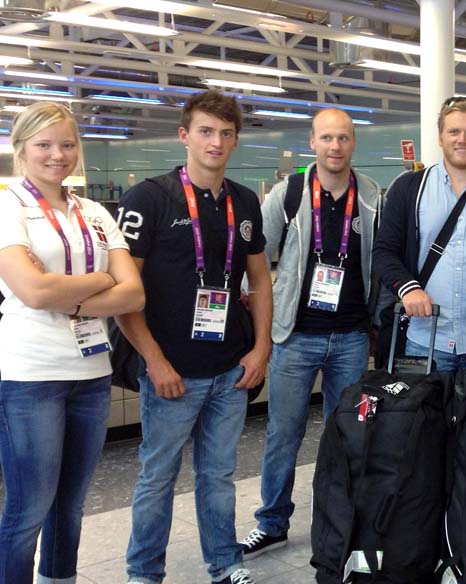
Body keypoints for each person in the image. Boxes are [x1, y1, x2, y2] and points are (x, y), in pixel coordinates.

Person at [116, 90, 273, 584]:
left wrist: (262, 347)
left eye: (227, 134)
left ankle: (225, 564)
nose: (217, 142)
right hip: (171, 374)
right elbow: (126, 293)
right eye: (206, 131)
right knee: (157, 479)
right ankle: (144, 573)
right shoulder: (150, 198)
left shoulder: (245, 201)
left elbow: (260, 279)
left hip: (229, 369)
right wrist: (155, 362)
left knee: (219, 478)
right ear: (185, 135)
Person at [0, 102, 143, 584]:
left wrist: (74, 296)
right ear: (21, 151)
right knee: (28, 510)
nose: (57, 155)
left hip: (92, 375)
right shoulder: (8, 205)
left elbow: (134, 292)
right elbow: (34, 291)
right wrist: (101, 279)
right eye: (44, 145)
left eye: (67, 144)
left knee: (71, 507)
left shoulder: (96, 211)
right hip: (30, 376)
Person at [240, 107, 383, 558]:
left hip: (352, 337)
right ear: (313, 142)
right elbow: (255, 254)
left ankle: (343, 520)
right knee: (284, 432)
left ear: (353, 142)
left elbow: (384, 259)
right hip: (295, 336)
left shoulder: (373, 196)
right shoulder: (289, 193)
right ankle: (273, 521)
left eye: (342, 138)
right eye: (326, 138)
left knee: (350, 434)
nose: (335, 146)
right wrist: (255, 299)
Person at [372, 96, 466, 373]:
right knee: (426, 417)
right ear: (441, 137)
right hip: (424, 340)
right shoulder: (409, 190)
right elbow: (383, 252)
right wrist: (408, 287)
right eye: (453, 131)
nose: (461, 139)